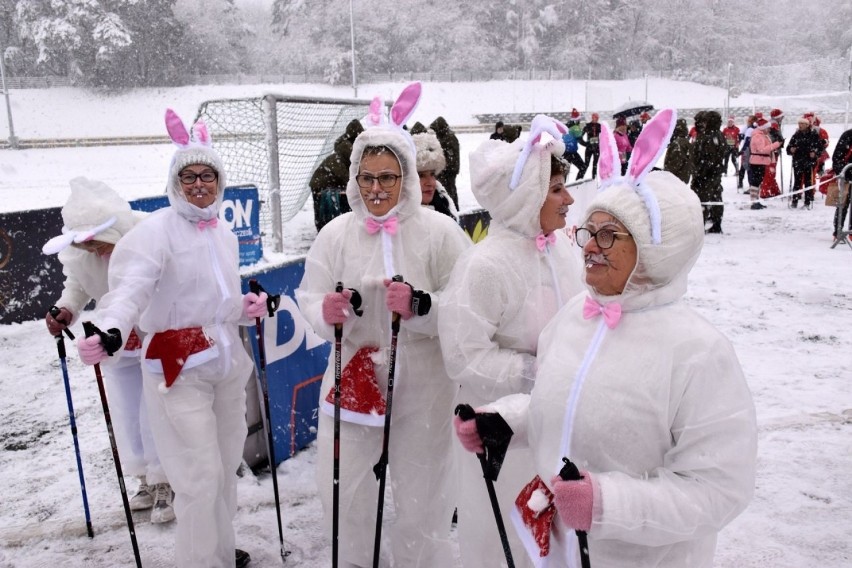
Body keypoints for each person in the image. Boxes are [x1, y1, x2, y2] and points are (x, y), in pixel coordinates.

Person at [455, 109, 757, 567]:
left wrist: (608, 503)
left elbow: (719, 488)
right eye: (590, 231)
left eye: (610, 235)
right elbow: (564, 405)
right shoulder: (577, 316)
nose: (591, 245)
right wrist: (508, 422)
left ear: (654, 249)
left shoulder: (698, 352)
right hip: (559, 548)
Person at [75, 109, 265, 568]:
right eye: (188, 176)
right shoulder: (154, 231)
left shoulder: (222, 231)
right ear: (174, 182)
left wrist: (246, 307)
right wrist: (111, 328)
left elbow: (218, 300)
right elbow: (130, 290)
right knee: (198, 476)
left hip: (225, 363)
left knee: (223, 471)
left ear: (219, 181)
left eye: (207, 175)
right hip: (178, 372)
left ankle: (218, 550)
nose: (199, 185)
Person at [296, 83, 471, 568]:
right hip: (354, 376)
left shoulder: (440, 232)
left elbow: (468, 304)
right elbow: (309, 295)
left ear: (408, 178)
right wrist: (326, 312)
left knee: (423, 493)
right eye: (368, 177)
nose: (377, 188)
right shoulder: (335, 234)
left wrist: (424, 307)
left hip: (425, 382)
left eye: (388, 178)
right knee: (348, 492)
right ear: (354, 178)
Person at [440, 115, 584, 568]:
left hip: (558, 421)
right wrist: (533, 371)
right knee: (499, 534)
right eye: (557, 188)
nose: (569, 199)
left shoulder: (564, 249)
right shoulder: (483, 266)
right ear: (526, 197)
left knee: (551, 530)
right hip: (498, 430)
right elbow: (463, 356)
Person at [42, 177, 174, 524]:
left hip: (152, 332)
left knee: (154, 408)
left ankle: (166, 481)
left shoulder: (147, 234)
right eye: (87, 247)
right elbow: (76, 284)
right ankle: (144, 478)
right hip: (114, 339)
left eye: (100, 244)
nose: (96, 253)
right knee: (126, 410)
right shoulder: (81, 254)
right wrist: (66, 309)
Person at [310, 118, 364, 232]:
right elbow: (346, 176)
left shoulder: (344, 153)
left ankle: (326, 228)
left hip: (328, 184)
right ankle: (323, 230)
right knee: (321, 211)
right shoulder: (339, 158)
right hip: (320, 184)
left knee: (323, 211)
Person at [690, 110, 726, 233]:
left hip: (708, 174)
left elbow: (708, 158)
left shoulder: (711, 136)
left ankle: (704, 225)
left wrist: (700, 173)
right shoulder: (717, 134)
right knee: (715, 197)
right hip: (713, 173)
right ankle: (716, 222)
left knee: (703, 199)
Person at [412, 129, 458, 220]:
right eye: (421, 175)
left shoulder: (444, 206)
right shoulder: (398, 223)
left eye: (432, 174)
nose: (430, 182)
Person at [786, 116, 822, 209]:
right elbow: (788, 148)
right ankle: (794, 201)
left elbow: (820, 148)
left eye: (802, 124)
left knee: (808, 182)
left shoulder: (813, 135)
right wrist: (791, 149)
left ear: (807, 125)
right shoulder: (796, 135)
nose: (800, 125)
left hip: (809, 162)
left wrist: (815, 153)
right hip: (798, 161)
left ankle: (807, 202)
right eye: (799, 124)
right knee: (797, 182)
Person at [748, 117, 780, 210]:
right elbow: (762, 150)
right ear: (764, 128)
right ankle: (754, 202)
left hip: (760, 161)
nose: (769, 129)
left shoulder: (762, 135)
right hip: (757, 161)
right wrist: (775, 145)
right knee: (755, 182)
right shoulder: (758, 136)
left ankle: (756, 201)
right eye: (768, 128)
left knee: (757, 182)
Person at [430, 115, 461, 208]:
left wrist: (444, 168)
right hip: (447, 171)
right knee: (448, 192)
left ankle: (453, 211)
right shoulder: (445, 137)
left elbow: (451, 158)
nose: (435, 133)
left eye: (436, 130)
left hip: (448, 171)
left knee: (449, 193)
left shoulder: (449, 139)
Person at [830, 127, 852, 238]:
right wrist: (841, 172)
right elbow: (837, 157)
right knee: (842, 204)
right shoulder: (847, 135)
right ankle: (838, 231)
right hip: (846, 176)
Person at [663, 117, 691, 184]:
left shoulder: (678, 144)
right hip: (683, 177)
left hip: (676, 179)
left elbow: (675, 164)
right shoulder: (685, 141)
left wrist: (665, 173)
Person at [562, 109, 588, 180]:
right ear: (577, 120)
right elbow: (580, 140)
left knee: (564, 172)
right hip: (571, 153)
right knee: (583, 167)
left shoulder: (566, 126)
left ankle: (562, 187)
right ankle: (577, 184)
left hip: (564, 152)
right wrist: (588, 144)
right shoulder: (576, 127)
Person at [581, 113, 602, 179]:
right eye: (595, 117)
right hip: (589, 148)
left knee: (595, 165)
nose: (596, 119)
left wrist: (602, 144)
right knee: (586, 164)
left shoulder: (599, 126)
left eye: (597, 118)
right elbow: (580, 137)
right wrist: (585, 144)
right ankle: (579, 179)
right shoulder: (587, 126)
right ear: (592, 118)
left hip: (597, 148)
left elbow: (604, 136)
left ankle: (594, 179)